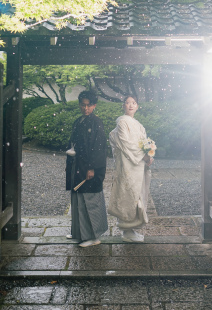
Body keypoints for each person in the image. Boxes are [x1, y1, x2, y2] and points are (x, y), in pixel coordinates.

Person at [65, 90, 108, 247]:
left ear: (94, 106)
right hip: (78, 164)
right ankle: (79, 232)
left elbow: (98, 148)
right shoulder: (79, 121)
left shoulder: (96, 122)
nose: (85, 108)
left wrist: (92, 168)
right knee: (78, 199)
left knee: (90, 201)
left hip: (89, 166)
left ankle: (93, 236)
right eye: (83, 105)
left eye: (89, 105)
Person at [107, 94, 152, 243]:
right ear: (123, 106)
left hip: (137, 165)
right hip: (127, 165)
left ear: (137, 106)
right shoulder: (122, 122)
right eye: (127, 103)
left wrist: (149, 154)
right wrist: (143, 155)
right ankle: (127, 230)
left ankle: (131, 229)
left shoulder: (139, 125)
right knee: (128, 195)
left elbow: (143, 142)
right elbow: (126, 143)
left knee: (137, 194)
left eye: (134, 103)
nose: (131, 105)